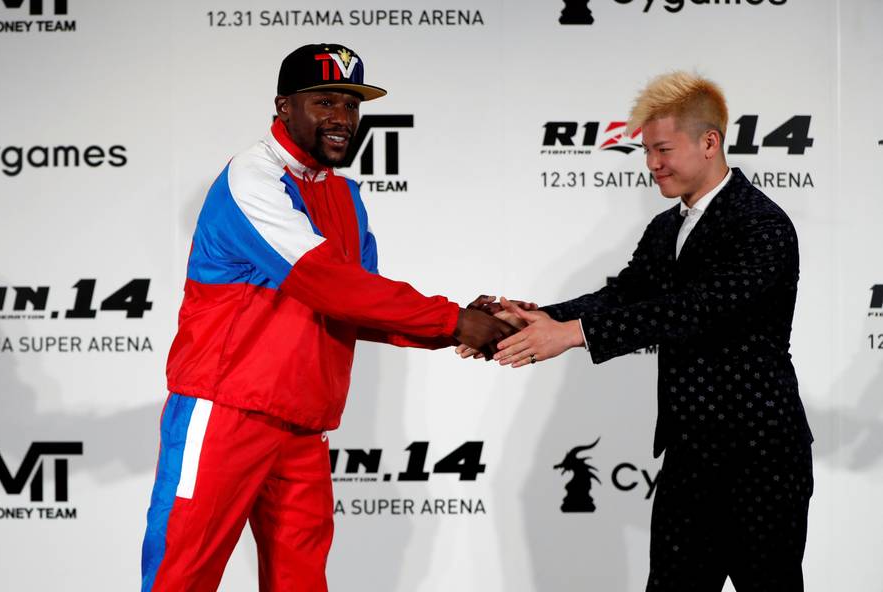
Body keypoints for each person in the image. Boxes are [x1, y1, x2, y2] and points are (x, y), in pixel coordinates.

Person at [140, 43, 515, 592]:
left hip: (303, 424)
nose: (342, 118)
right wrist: (455, 320)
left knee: (301, 583)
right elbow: (329, 283)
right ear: (283, 105)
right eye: (324, 101)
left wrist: (458, 327)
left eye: (352, 104)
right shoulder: (251, 178)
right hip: (224, 412)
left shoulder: (344, 193)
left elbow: (362, 307)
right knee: (182, 578)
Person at [469, 72, 815, 591]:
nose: (652, 164)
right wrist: (539, 316)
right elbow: (624, 296)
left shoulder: (762, 225)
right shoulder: (665, 227)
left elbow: (697, 309)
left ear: (709, 142)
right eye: (645, 151)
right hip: (689, 457)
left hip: (760, 457)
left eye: (662, 149)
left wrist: (574, 334)